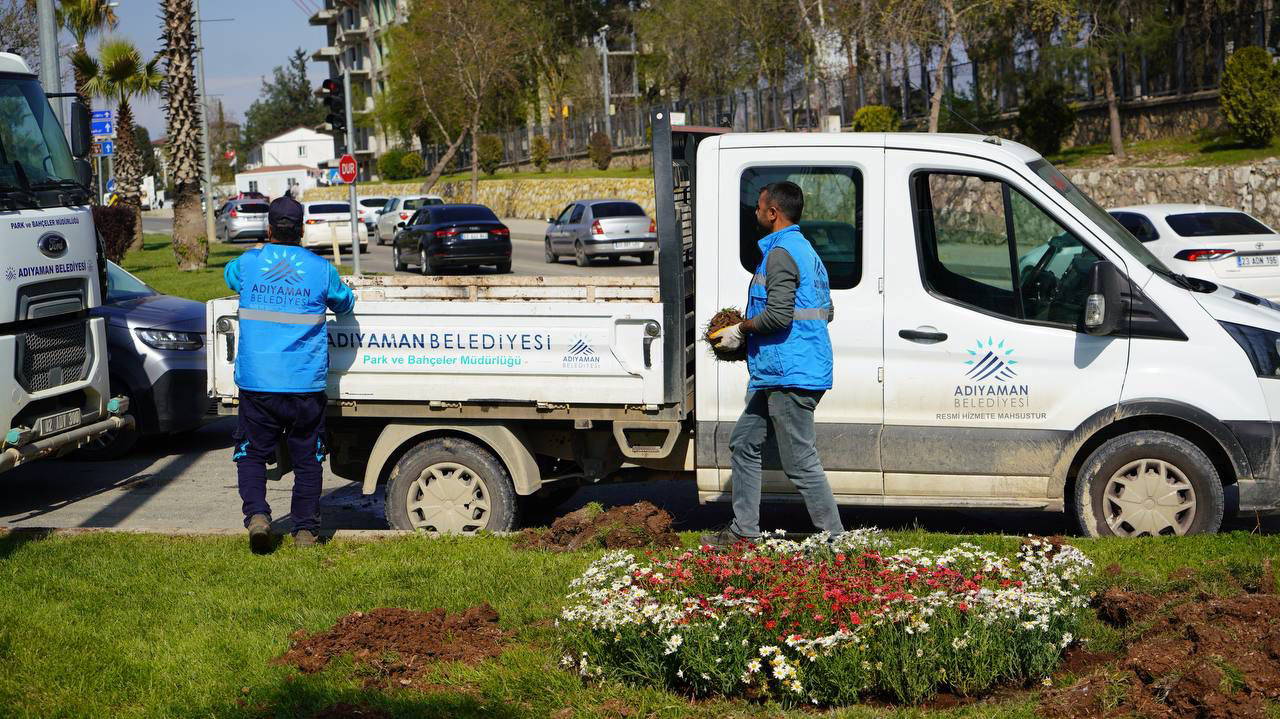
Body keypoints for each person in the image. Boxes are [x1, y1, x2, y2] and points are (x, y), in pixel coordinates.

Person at [705, 181, 843, 546]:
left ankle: (837, 544)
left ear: (773, 213)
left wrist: (742, 328)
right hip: (780, 372)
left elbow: (779, 316)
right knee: (744, 443)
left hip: (789, 375)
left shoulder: (781, 253)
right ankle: (744, 533)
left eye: (759, 207)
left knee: (799, 462)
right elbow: (826, 310)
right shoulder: (806, 251)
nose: (755, 213)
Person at [224, 195, 355, 551]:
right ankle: (305, 532)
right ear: (301, 230)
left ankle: (258, 517)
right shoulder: (319, 268)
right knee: (308, 458)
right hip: (303, 383)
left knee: (251, 453)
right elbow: (344, 302)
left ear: (268, 228)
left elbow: (230, 277)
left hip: (258, 382)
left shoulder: (250, 263)